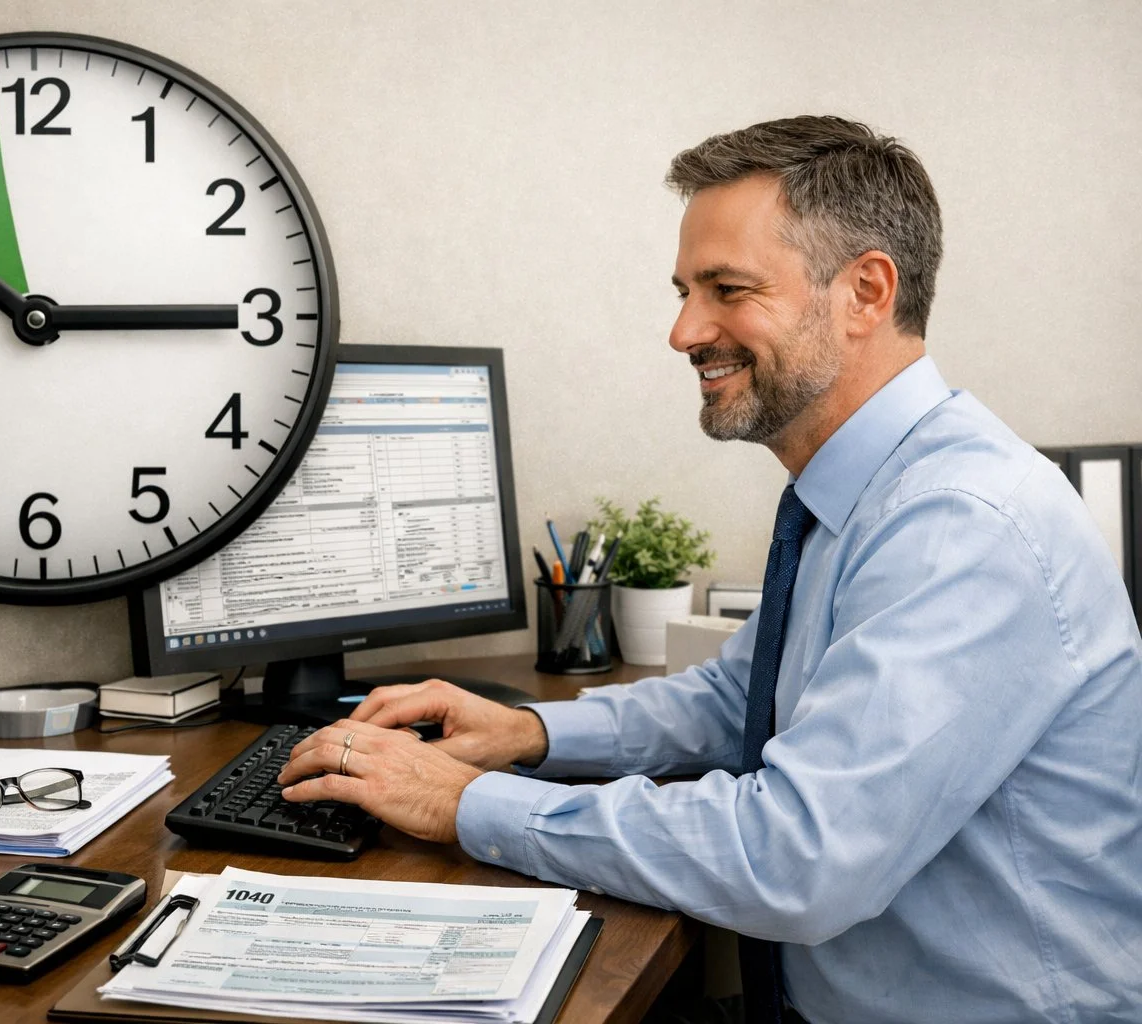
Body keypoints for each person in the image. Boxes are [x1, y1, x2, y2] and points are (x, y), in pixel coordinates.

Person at [278, 115, 1142, 1023]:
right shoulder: (864, 493)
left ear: (866, 292)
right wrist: (525, 734)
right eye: (687, 291)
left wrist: (466, 802)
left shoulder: (961, 526)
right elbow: (741, 701)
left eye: (728, 289)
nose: (684, 330)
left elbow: (794, 860)